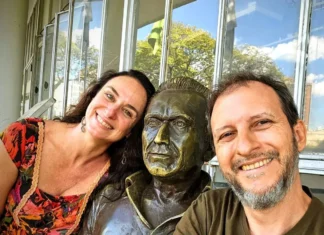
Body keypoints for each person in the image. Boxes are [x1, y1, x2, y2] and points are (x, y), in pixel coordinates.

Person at [0, 69, 155, 234]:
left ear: (131, 130)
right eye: (109, 96)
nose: (110, 112)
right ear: (94, 95)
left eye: (127, 112)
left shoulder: (116, 182)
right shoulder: (24, 136)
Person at [174, 72, 324, 235]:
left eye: (262, 123)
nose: (245, 147)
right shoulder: (209, 214)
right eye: (227, 134)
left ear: (298, 135)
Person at [80, 77, 214, 235]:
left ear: (210, 146)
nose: (159, 138)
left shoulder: (221, 216)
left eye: (179, 124)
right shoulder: (108, 199)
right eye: (153, 122)